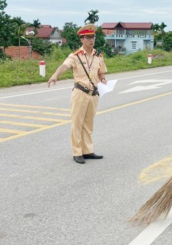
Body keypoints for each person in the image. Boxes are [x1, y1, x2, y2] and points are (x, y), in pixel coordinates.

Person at [47, 24, 107, 164]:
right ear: (82, 39)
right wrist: (55, 75)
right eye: (88, 38)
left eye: (93, 37)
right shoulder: (75, 56)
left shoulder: (98, 55)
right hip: (80, 93)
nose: (91, 40)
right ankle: (77, 152)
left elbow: (101, 71)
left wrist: (103, 79)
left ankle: (87, 151)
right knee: (77, 123)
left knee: (88, 124)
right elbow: (65, 66)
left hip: (94, 94)